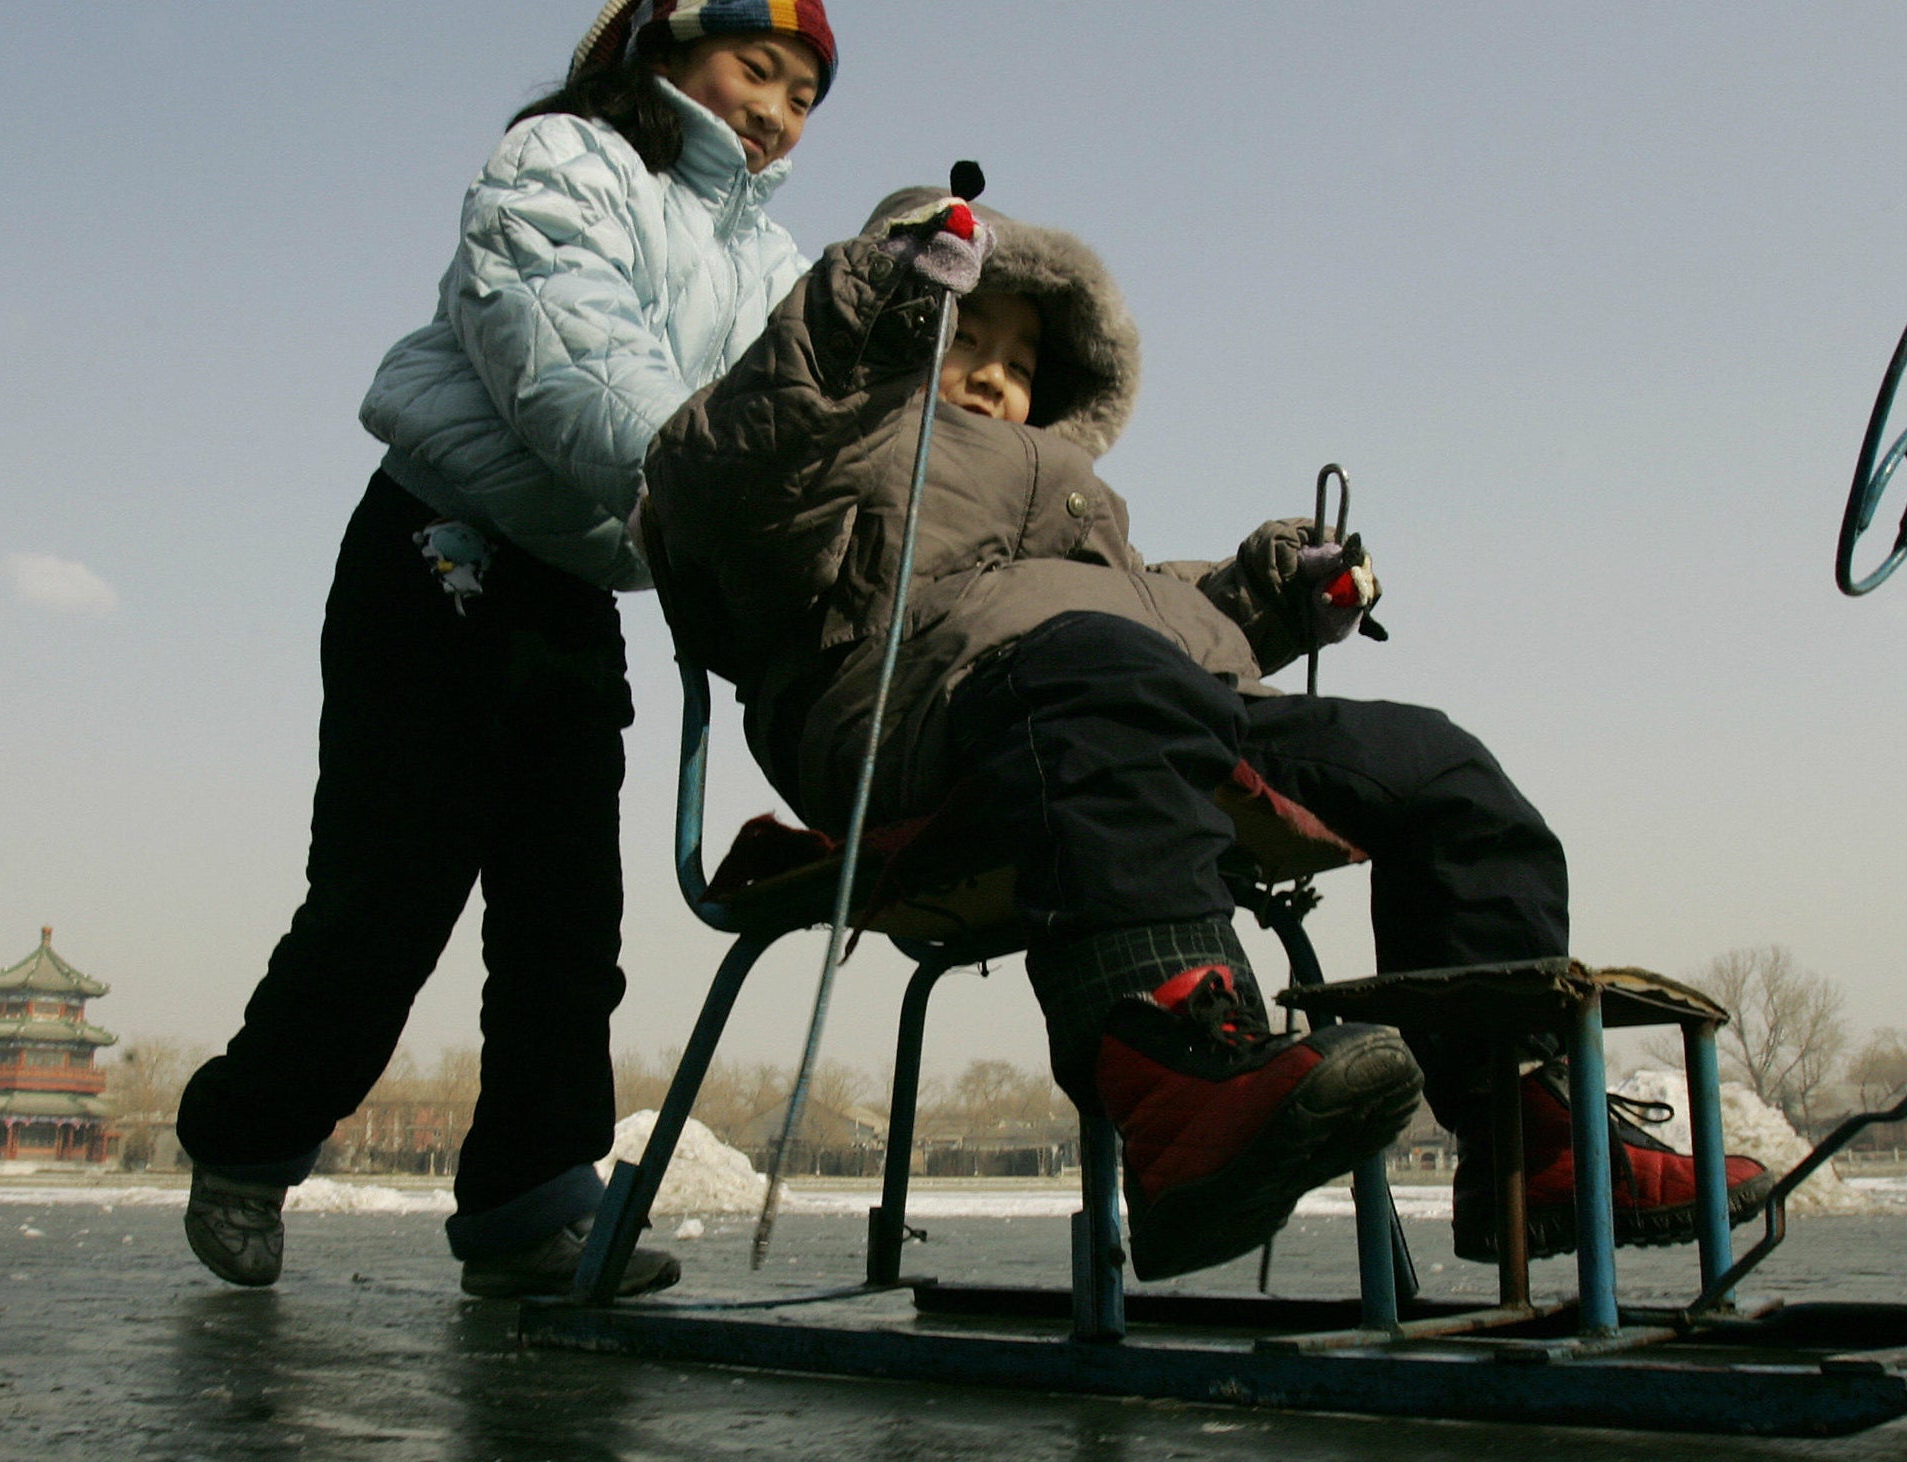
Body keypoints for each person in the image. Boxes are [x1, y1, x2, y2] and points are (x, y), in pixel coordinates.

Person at [643, 189, 1772, 1277]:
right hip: (925, 720)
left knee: (1434, 764)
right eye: (962, 333)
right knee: (1102, 669)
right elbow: (706, 485)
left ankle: (1529, 1129)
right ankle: (1177, 1072)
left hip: (1116, 699)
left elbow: (1168, 613)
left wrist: (1276, 595)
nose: (993, 372)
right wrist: (860, 315)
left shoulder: (1073, 502)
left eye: (1022, 361)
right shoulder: (831, 454)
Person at [175, 0, 837, 1300]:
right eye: (755, 67)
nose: (776, 108)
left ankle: (531, 1204)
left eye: (805, 94)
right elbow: (569, 347)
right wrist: (704, 496)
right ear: (658, 49)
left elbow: (798, 413)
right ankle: (248, 1139)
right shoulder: (565, 161)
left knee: (567, 915)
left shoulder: (769, 259)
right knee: (395, 875)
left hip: (580, 579)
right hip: (444, 543)